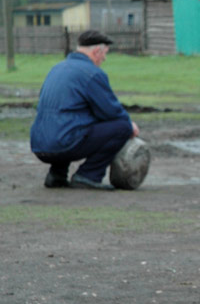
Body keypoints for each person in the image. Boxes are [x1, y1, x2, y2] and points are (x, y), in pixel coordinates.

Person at [30, 30, 139, 191]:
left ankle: (57, 174)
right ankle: (88, 175)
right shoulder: (92, 74)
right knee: (121, 127)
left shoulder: (57, 69)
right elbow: (111, 111)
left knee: (66, 121)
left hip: (39, 144)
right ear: (97, 51)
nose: (104, 59)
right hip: (63, 143)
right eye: (105, 54)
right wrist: (130, 125)